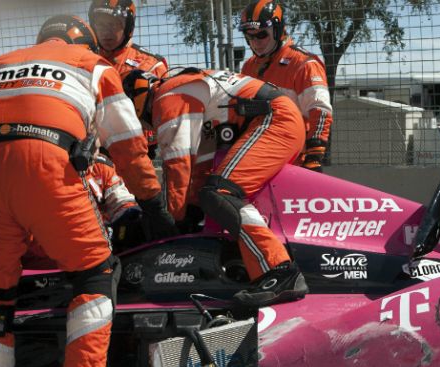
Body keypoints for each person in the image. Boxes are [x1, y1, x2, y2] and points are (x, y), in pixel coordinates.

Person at [0, 15, 176, 367]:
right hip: (45, 164)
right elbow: (126, 141)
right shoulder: (92, 65)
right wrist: (153, 204)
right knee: (95, 272)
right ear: (87, 43)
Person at [123, 67, 309, 307]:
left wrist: (170, 221)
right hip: (278, 118)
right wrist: (188, 213)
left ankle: (281, 271)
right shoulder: (185, 89)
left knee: (220, 193)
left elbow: (178, 165)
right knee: (211, 194)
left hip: (274, 119)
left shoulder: (166, 96)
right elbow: (199, 168)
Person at [239, 0, 332, 172]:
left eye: (262, 35)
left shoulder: (304, 63)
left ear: (278, 30)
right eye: (250, 36)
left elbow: (320, 109)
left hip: (294, 161)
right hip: (258, 156)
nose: (256, 42)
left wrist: (314, 156)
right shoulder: (248, 66)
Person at [88, 0, 168, 158]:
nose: (106, 32)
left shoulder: (151, 64)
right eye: (101, 25)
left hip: (137, 150)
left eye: (114, 25)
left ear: (128, 27)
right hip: (94, 150)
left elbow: (165, 114)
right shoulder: (84, 59)